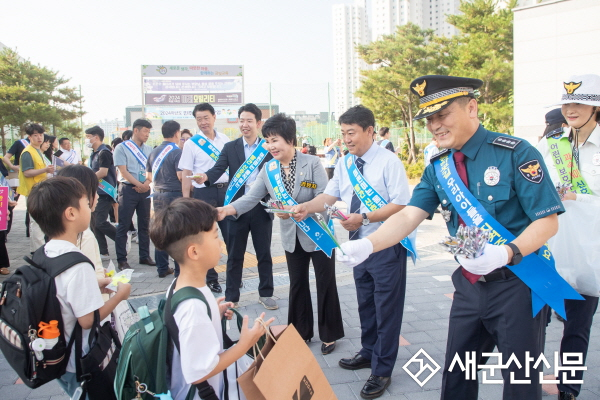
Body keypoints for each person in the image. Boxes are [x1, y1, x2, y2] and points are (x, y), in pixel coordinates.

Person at [329, 76, 576, 400]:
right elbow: (408, 215)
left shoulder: (515, 153)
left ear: (471, 107)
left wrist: (506, 253)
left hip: (518, 285)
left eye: (442, 114)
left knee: (520, 384)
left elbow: (547, 222)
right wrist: (368, 244)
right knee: (457, 378)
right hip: (470, 285)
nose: (434, 125)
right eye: (429, 118)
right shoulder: (438, 168)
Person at [290, 105, 411, 398]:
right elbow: (329, 195)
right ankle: (369, 351)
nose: (346, 139)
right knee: (366, 303)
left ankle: (382, 370)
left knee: (386, 309)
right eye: (343, 134)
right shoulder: (344, 163)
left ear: (370, 131)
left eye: (351, 133)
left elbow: (402, 204)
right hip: (358, 246)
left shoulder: (389, 162)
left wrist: (366, 218)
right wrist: (305, 208)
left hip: (386, 244)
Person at [218, 113, 345, 355]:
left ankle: (330, 334)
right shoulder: (268, 168)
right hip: (291, 236)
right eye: (267, 140)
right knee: (297, 285)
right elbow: (252, 198)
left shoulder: (312, 163)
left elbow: (324, 195)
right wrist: (228, 209)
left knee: (325, 283)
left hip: (318, 233)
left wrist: (303, 209)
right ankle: (301, 332)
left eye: (275, 140)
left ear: (290, 139)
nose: (270, 146)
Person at [149, 197, 273, 400]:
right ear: (194, 251)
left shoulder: (183, 286)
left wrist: (213, 314)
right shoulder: (193, 307)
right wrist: (244, 344)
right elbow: (201, 372)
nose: (221, 243)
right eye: (215, 236)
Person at [27, 176, 130, 397]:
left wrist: (94, 285)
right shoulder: (78, 263)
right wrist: (119, 296)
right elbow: (87, 321)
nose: (90, 207)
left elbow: (61, 291)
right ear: (71, 213)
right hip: (80, 360)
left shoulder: (45, 252)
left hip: (57, 353)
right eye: (85, 203)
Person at [536, 74, 600, 400]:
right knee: (534, 321)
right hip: (549, 249)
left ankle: (568, 389)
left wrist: (577, 197)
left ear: (596, 106)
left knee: (577, 327)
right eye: (566, 102)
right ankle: (526, 384)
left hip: (590, 255)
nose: (571, 109)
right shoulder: (551, 143)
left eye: (579, 102)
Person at [195, 104, 276, 309]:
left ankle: (266, 293)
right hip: (236, 208)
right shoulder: (230, 147)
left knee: (264, 253)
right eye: (241, 120)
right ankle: (232, 297)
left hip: (261, 208)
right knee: (235, 255)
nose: (244, 124)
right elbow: (218, 169)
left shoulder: (267, 148)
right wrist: (205, 178)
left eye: (249, 120)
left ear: (258, 123)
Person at [178, 103, 230, 293]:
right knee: (206, 236)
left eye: (206, 118)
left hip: (226, 192)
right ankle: (211, 278)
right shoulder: (192, 143)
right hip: (203, 194)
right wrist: (186, 200)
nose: (203, 122)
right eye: (199, 119)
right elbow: (186, 173)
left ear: (214, 117)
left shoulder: (225, 140)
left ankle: (233, 276)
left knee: (231, 235)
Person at [56, 164, 111, 299]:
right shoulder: (84, 236)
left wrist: (98, 270)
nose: (97, 196)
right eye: (94, 191)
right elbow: (87, 293)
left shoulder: (58, 232)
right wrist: (120, 295)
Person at [113, 119, 155, 270]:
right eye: (145, 131)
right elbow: (123, 171)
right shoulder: (121, 148)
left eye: (149, 132)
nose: (147, 135)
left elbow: (152, 171)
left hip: (145, 190)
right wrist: (139, 185)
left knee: (145, 225)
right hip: (128, 189)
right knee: (124, 225)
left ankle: (144, 256)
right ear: (135, 131)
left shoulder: (149, 149)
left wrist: (146, 184)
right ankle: (122, 259)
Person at [146, 120, 183, 278]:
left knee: (161, 229)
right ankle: (179, 270)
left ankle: (162, 268)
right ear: (176, 133)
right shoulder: (177, 152)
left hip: (157, 194)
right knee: (177, 231)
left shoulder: (154, 151)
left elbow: (148, 176)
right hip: (174, 194)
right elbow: (180, 176)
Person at [17, 124, 55, 253]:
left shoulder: (37, 150)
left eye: (41, 135)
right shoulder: (28, 152)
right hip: (33, 191)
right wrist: (45, 170)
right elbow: (27, 172)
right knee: (37, 224)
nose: (39, 138)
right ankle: (38, 252)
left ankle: (39, 250)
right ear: (29, 137)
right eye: (35, 135)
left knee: (40, 222)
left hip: (40, 190)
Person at [86, 126, 118, 260]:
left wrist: (87, 179)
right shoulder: (94, 153)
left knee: (100, 222)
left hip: (104, 192)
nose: (86, 140)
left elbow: (103, 172)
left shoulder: (104, 152)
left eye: (88, 137)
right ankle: (103, 251)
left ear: (96, 137)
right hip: (95, 191)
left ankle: (121, 238)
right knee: (93, 223)